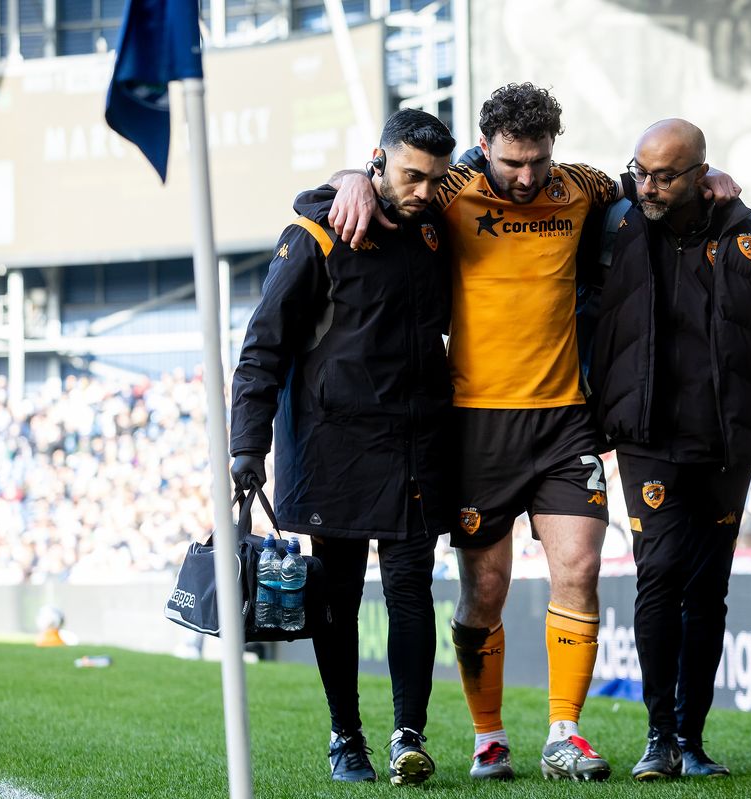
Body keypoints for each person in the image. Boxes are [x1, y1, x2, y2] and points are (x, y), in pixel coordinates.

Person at [326, 83, 741, 782]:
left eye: (538, 161)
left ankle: (564, 731)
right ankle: (489, 737)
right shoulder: (450, 188)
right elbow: (383, 186)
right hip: (475, 424)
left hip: (564, 420)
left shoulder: (579, 186)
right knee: (484, 593)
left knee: (578, 569)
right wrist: (346, 180)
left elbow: (648, 182)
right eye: (513, 162)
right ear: (484, 148)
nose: (526, 178)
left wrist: (712, 182)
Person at [588, 119, 751, 780]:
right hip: (647, 438)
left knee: (708, 590)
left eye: (665, 174)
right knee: (658, 574)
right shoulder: (618, 220)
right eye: (641, 170)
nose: (648, 185)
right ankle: (658, 735)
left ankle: (691, 740)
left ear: (701, 173)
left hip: (728, 444)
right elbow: (529, 174)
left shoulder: (748, 240)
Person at [228, 109, 456, 786]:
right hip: (336, 449)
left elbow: (504, 162)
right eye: (411, 174)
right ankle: (345, 736)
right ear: (378, 162)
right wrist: (248, 446)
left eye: (436, 180)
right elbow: (261, 347)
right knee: (337, 596)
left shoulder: (437, 225)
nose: (424, 190)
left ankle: (407, 736)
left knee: (413, 585)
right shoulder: (315, 233)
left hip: (418, 445)